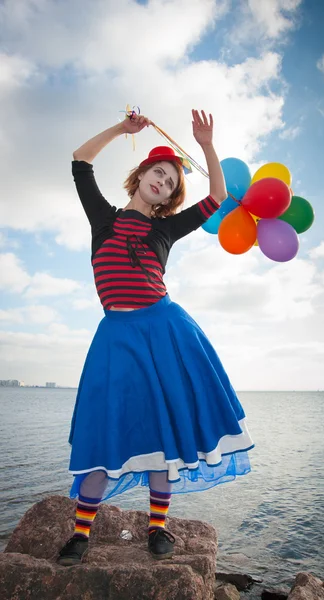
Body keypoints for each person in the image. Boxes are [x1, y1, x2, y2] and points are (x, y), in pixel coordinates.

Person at [57, 109, 254, 566]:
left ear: (168, 197)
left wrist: (206, 144)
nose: (163, 182)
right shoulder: (103, 219)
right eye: (158, 173)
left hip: (165, 329)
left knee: (165, 434)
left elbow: (218, 195)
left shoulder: (165, 227)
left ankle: (158, 528)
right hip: (116, 338)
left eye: (169, 181)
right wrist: (122, 130)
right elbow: (79, 161)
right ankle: (80, 535)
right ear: (140, 174)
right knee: (103, 431)